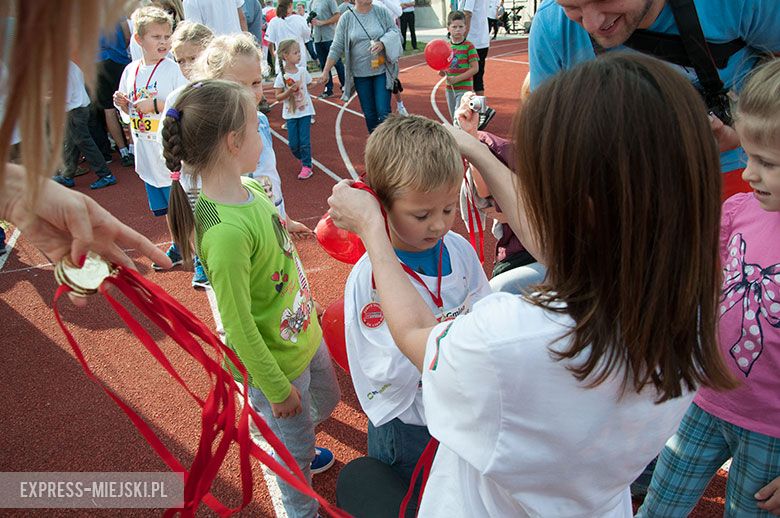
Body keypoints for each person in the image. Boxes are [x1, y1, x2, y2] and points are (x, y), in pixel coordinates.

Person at [328, 53, 737, 516]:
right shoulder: (692, 307)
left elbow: (416, 337)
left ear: (579, 207)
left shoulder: (514, 340)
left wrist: (373, 233)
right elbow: (568, 246)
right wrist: (478, 149)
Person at [161, 78, 340, 518]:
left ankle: (291, 440)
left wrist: (288, 225)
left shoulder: (254, 189)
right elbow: (237, 327)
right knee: (292, 464)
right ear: (233, 141)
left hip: (302, 332)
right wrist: (276, 390)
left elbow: (270, 227)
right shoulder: (222, 233)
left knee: (328, 399)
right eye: (256, 127)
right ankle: (298, 503)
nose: (265, 131)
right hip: (274, 364)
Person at [636, 59, 780, 518]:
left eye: (767, 163)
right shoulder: (741, 208)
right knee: (658, 506)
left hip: (771, 430)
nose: (749, 172)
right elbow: (685, 251)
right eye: (749, 155)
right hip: (707, 399)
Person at [344, 114, 492, 484]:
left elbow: (483, 306)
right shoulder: (369, 278)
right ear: (380, 205)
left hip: (458, 411)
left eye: (448, 209)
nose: (439, 225)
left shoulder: (457, 250)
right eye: (422, 214)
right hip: (409, 422)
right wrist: (453, 343)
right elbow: (378, 363)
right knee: (408, 490)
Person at [528, 0, 780, 200]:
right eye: (571, 7)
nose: (593, 24)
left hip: (737, 174)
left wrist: (741, 135)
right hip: (624, 193)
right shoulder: (552, 25)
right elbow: (550, 143)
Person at [0, 0, 171, 276]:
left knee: (82, 143)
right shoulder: (127, 69)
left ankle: (101, 171)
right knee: (78, 144)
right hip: (135, 147)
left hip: (86, 115)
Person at [191, 33, 313, 234]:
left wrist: (285, 218)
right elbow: (195, 193)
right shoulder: (211, 135)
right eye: (239, 86)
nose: (250, 94)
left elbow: (269, 177)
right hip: (243, 232)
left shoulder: (261, 122)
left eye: (256, 83)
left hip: (273, 225)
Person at [113, 6, 187, 268]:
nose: (164, 42)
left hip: (169, 152)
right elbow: (128, 113)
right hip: (145, 152)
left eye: (167, 36)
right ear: (139, 40)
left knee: (184, 206)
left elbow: (183, 104)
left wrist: (156, 106)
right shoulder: (130, 71)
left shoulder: (173, 69)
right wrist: (123, 105)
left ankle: (200, 257)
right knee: (167, 209)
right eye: (156, 37)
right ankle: (179, 245)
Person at [318, 0, 402, 133]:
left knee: (383, 111)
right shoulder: (346, 18)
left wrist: (383, 43)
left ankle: (386, 146)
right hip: (360, 74)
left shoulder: (381, 12)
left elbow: (395, 32)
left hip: (382, 70)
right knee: (369, 114)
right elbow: (336, 47)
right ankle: (375, 147)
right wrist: (326, 71)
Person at [52, 61, 118, 190]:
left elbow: (65, 96)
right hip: (79, 108)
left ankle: (105, 175)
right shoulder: (70, 65)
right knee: (73, 143)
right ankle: (67, 175)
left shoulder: (63, 69)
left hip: (75, 111)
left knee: (85, 143)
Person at [274, 39, 316, 180]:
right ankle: (304, 156)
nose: (299, 55)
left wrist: (319, 81)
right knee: (293, 144)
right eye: (295, 53)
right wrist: (289, 92)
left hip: (305, 111)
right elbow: (278, 97)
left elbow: (308, 85)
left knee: (304, 141)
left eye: (299, 52)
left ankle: (306, 165)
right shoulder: (281, 77)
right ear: (285, 56)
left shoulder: (303, 71)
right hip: (290, 113)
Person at [95, 20, 135, 168]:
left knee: (108, 108)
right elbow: (127, 36)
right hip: (118, 59)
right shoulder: (116, 9)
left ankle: (123, 151)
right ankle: (132, 147)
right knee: (127, 102)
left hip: (97, 62)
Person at [441, 11, 478, 119]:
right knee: (454, 117)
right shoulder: (446, 47)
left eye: (461, 26)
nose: (458, 30)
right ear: (448, 28)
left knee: (460, 117)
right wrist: (441, 71)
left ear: (465, 28)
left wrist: (457, 79)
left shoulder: (469, 46)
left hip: (464, 88)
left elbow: (475, 68)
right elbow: (443, 69)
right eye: (454, 27)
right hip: (450, 88)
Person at [310, 0, 346, 98]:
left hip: (330, 36)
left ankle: (344, 86)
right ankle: (328, 88)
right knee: (323, 64)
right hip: (317, 38)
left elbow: (337, 16)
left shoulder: (330, 1)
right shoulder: (312, 2)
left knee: (337, 63)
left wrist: (323, 22)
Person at [265, 0, 313, 74]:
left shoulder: (274, 22)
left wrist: (273, 54)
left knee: (284, 83)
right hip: (299, 60)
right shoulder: (299, 19)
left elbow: (269, 42)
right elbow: (307, 35)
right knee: (301, 83)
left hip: (282, 61)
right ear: (290, 5)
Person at [182, 0, 249, 35]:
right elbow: (242, 18)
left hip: (214, 53)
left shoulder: (189, 1)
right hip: (237, 46)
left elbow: (195, 33)